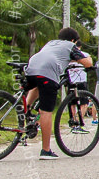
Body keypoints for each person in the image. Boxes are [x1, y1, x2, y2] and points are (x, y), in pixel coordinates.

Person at [23, 27, 93, 160]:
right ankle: (46, 150)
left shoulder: (51, 43)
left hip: (32, 67)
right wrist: (88, 58)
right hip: (48, 72)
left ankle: (25, 110)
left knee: (37, 86)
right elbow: (87, 63)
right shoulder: (70, 46)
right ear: (73, 40)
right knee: (46, 111)